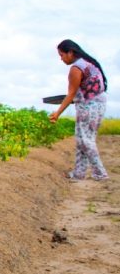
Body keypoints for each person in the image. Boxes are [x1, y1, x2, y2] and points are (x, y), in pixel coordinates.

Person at [49, 39, 109, 182]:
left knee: (85, 140)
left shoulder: (76, 68)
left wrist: (57, 113)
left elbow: (71, 94)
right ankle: (79, 174)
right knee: (83, 139)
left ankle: (100, 172)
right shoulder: (88, 63)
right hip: (98, 104)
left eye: (62, 55)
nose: (61, 59)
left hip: (88, 106)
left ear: (71, 52)